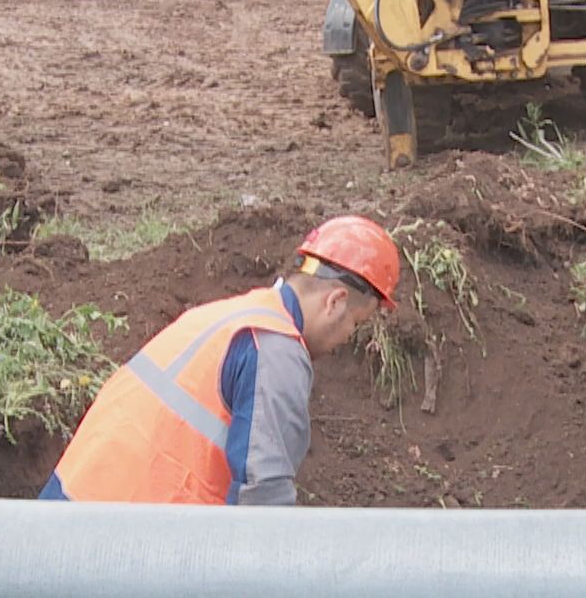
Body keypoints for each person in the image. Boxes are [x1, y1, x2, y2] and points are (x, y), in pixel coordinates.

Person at [40, 216, 399, 505]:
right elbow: (265, 496)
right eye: (356, 322)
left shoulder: (234, 315)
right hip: (124, 548)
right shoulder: (275, 349)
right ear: (334, 301)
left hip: (73, 511)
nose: (349, 336)